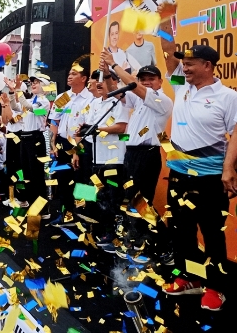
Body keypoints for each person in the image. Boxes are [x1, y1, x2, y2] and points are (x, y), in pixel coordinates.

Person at [160, 35, 237, 312]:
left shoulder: (228, 97)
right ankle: (190, 277)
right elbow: (168, 49)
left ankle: (216, 287)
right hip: (179, 174)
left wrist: (228, 167)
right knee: (182, 231)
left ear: (208, 65)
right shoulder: (181, 87)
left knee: (213, 233)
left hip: (210, 177)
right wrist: (163, 20)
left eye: (191, 64)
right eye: (184, 64)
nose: (185, 68)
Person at [101, 54, 174, 260]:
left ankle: (163, 244)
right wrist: (107, 74)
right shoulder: (140, 100)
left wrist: (113, 64)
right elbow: (116, 93)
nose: (146, 82)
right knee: (133, 202)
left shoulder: (162, 100)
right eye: (143, 79)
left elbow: (133, 86)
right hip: (131, 155)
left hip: (147, 155)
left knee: (142, 203)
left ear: (160, 81)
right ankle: (141, 242)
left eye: (151, 79)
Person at [79, 73, 129, 244]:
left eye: (103, 80)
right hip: (95, 155)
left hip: (114, 159)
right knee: (97, 195)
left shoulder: (120, 101)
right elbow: (89, 126)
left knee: (113, 198)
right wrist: (84, 130)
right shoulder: (95, 103)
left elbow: (121, 127)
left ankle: (115, 234)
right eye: (97, 80)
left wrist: (97, 129)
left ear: (113, 82)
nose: (99, 84)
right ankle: (96, 225)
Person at [48, 63, 94, 220]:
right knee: (63, 179)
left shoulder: (91, 99)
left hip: (82, 144)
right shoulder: (63, 97)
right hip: (63, 143)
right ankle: (66, 214)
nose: (69, 76)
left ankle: (83, 216)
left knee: (83, 179)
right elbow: (54, 121)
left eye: (74, 74)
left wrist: (77, 150)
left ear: (84, 78)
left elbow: (85, 127)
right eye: (69, 73)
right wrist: (53, 144)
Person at [5, 76, 51, 213]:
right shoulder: (31, 100)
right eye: (32, 82)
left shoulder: (45, 102)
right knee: (27, 175)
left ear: (45, 86)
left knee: (36, 175)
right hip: (24, 139)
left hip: (35, 139)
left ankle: (42, 210)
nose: (33, 84)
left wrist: (18, 90)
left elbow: (31, 108)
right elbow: (15, 106)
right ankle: (32, 206)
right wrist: (12, 92)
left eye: (37, 82)